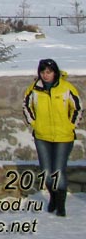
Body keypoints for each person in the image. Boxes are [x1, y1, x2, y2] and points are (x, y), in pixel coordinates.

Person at [23, 57, 81, 217]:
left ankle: (61, 205)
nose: (45, 75)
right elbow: (26, 106)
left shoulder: (66, 88)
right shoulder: (34, 89)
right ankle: (53, 198)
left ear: (55, 72)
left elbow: (77, 108)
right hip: (42, 136)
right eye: (43, 72)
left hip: (64, 137)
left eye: (49, 72)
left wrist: (71, 125)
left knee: (59, 171)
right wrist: (34, 124)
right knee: (47, 172)